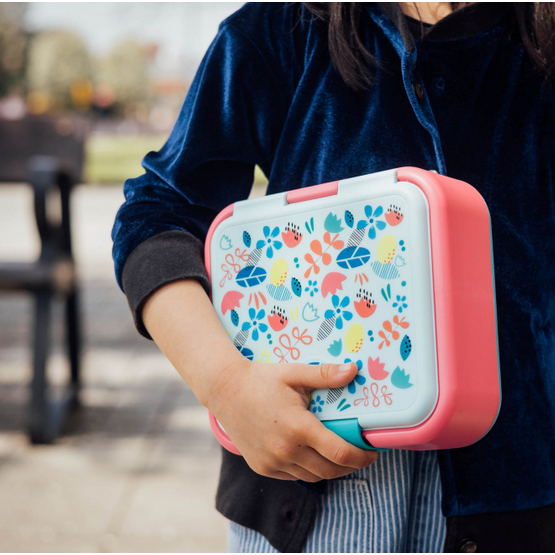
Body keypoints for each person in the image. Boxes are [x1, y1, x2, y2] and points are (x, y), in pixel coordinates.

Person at [112, 2, 555, 552]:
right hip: (309, 486)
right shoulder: (280, 28)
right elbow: (158, 215)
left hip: (521, 502)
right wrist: (227, 387)